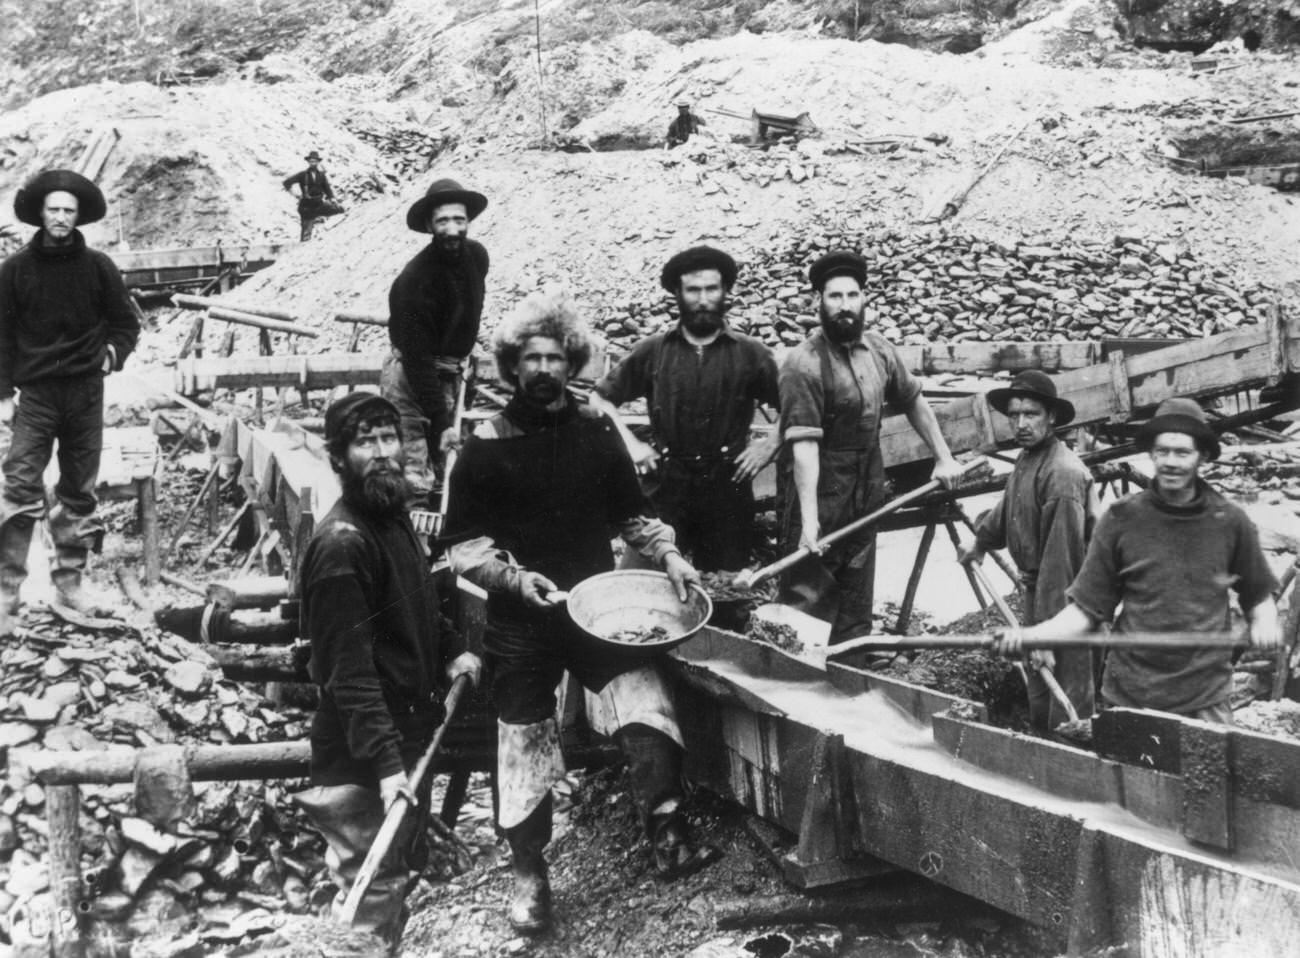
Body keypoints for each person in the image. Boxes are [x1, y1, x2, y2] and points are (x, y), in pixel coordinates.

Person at [441, 288, 717, 936]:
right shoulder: (485, 447)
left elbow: (634, 517)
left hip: (598, 611)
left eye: (554, 358)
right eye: (530, 359)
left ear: (572, 363)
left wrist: (670, 555)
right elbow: (464, 550)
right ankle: (529, 874)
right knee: (523, 741)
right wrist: (512, 578)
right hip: (521, 618)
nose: (543, 369)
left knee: (645, 700)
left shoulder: (596, 435)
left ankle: (667, 830)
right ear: (514, 368)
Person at [293, 391, 482, 948]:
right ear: (337, 459)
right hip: (359, 758)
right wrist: (384, 765)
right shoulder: (340, 547)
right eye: (363, 441)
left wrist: (451, 648)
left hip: (401, 742)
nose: (380, 452)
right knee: (371, 888)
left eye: (387, 437)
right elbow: (346, 674)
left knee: (400, 875)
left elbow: (416, 604)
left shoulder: (393, 520)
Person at [996, 398, 1280, 724]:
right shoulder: (1121, 519)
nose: (1171, 462)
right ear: (1151, 453)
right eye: (1163, 451)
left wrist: (1265, 621)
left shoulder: (1230, 521)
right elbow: (1087, 610)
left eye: (1182, 452)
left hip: (1203, 694)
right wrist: (1035, 635)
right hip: (1133, 692)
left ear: (1201, 456)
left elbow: (1258, 594)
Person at [778, 250, 964, 644]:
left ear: (864, 299)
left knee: (858, 582)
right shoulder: (802, 364)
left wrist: (943, 457)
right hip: (822, 486)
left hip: (867, 481)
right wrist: (809, 521)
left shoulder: (879, 350)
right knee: (809, 588)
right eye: (834, 297)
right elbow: (805, 448)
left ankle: (851, 667)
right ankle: (796, 680)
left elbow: (913, 399)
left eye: (852, 296)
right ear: (817, 302)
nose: (845, 307)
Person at [0, 169, 140, 636]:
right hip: (36, 396)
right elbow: (0, 338)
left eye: (69, 210)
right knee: (20, 486)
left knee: (79, 489)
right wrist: (3, 395)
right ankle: (7, 591)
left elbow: (126, 325)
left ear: (79, 216)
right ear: (40, 213)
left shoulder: (98, 266)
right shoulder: (14, 270)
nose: (60, 217)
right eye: (53, 209)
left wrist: (110, 355)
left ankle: (70, 583)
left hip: (85, 393)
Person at [589, 246, 780, 572]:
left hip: (727, 487)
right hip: (666, 485)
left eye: (711, 288)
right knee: (644, 584)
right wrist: (631, 445)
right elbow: (599, 399)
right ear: (677, 294)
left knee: (724, 590)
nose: (702, 298)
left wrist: (771, 443)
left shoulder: (751, 354)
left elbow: (798, 407)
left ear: (724, 292)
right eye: (693, 290)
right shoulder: (652, 351)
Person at [958, 370, 1096, 731]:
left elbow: (1060, 566)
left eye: (1031, 414)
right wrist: (980, 542)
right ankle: (1040, 753)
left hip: (1071, 603)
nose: (1020, 423)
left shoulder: (1063, 474)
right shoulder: (1028, 457)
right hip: (1038, 594)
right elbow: (1006, 511)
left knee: (1069, 702)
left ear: (1051, 417)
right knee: (1039, 689)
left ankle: (1072, 771)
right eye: (1014, 415)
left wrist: (1047, 635)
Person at [382, 177, 490, 507]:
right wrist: (441, 422)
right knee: (414, 474)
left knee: (453, 467)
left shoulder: (477, 257)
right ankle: (413, 549)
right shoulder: (415, 280)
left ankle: (449, 549)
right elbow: (418, 360)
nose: (453, 228)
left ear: (468, 221)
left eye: (459, 219)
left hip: (451, 372)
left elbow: (465, 310)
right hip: (411, 379)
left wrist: (465, 351)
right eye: (443, 221)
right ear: (430, 225)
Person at [282, 150, 338, 242]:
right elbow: (287, 183)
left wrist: (332, 199)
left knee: (340, 210)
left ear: (318, 162)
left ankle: (325, 233)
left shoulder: (321, 175)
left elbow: (327, 189)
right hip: (307, 206)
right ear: (308, 162)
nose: (313, 163)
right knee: (306, 234)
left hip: (319, 204)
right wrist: (295, 194)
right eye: (311, 161)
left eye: (315, 161)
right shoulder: (302, 175)